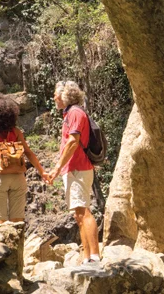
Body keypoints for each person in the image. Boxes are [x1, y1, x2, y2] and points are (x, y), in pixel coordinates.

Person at [0, 95, 49, 223]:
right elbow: (29, 153)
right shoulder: (16, 132)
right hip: (18, 176)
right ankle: (18, 243)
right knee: (18, 220)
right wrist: (42, 171)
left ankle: (4, 243)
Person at [48, 81, 101, 265]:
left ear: (64, 95)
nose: (54, 97)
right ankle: (87, 257)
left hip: (78, 167)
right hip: (72, 169)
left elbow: (73, 142)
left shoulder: (75, 112)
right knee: (78, 214)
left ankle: (94, 256)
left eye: (56, 93)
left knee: (83, 212)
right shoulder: (69, 114)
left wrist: (56, 168)